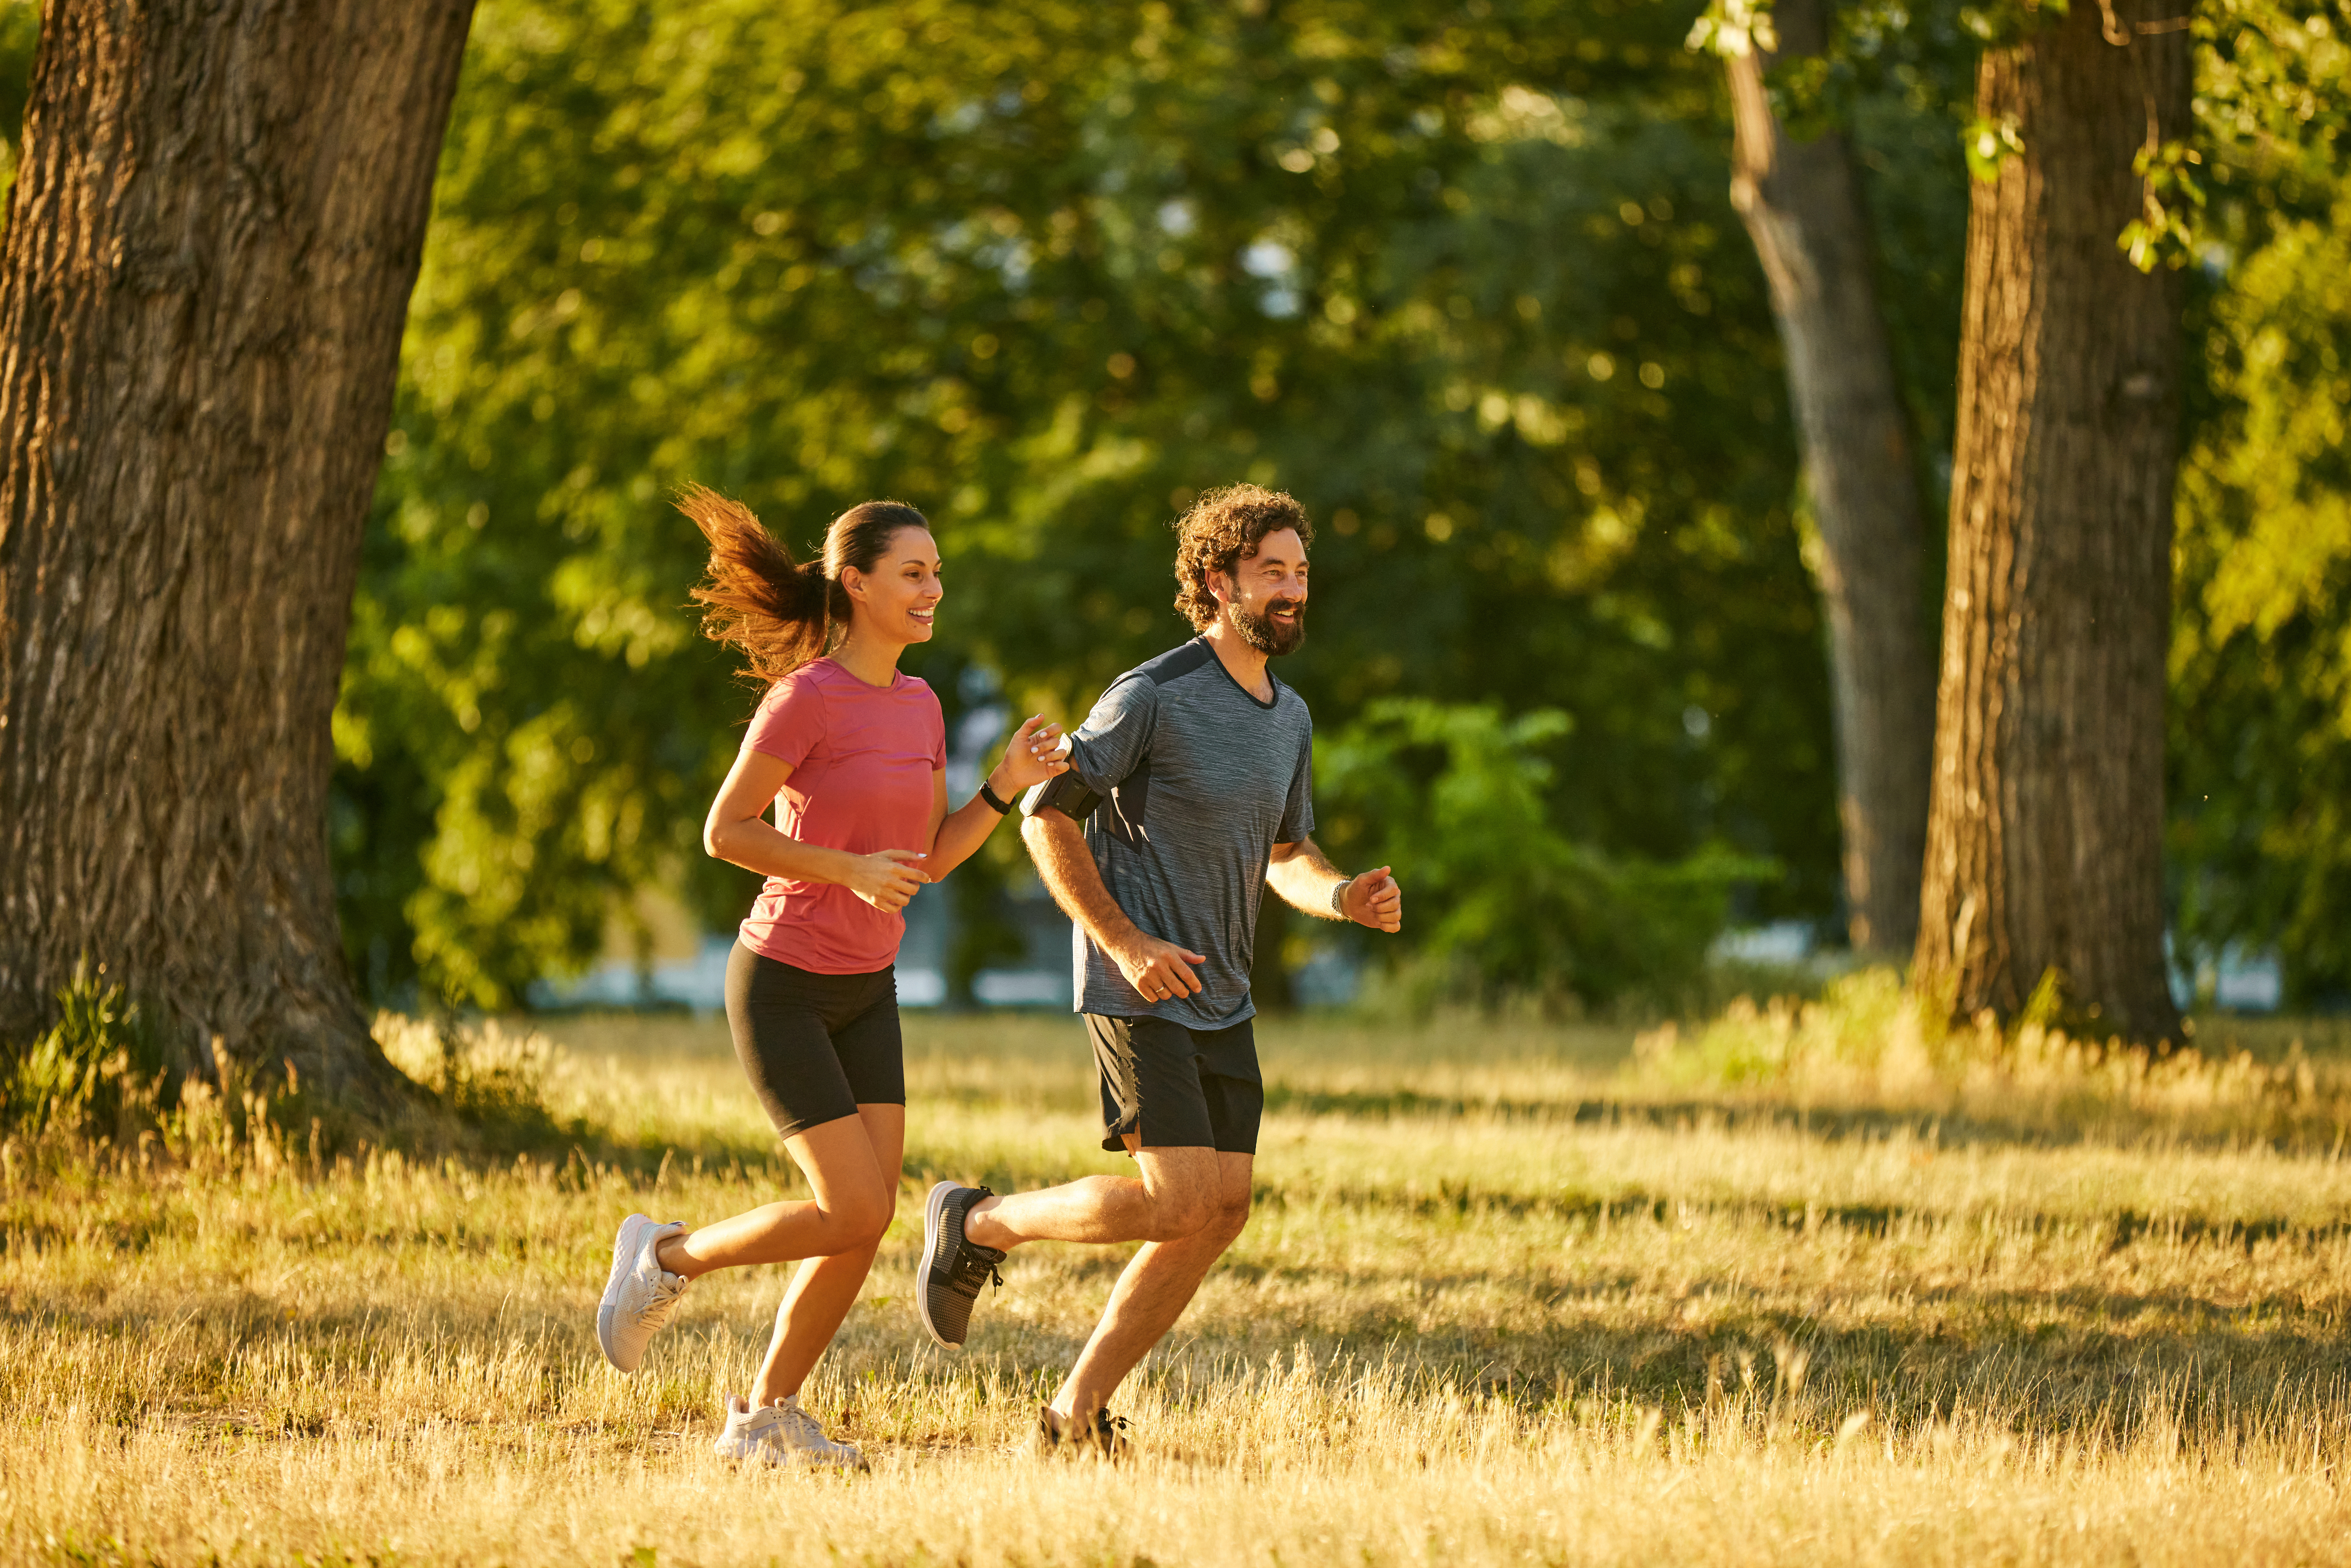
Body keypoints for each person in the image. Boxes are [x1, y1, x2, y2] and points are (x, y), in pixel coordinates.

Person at [913, 483, 1404, 1458]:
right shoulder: (1153, 693)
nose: (1295, 589)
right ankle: (983, 1220)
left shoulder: (1289, 716)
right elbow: (1045, 812)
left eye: (1302, 572)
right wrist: (1125, 940)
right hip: (1137, 985)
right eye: (1274, 571)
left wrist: (1344, 895)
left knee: (1219, 1210)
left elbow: (1286, 854)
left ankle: (1074, 1413)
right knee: (1176, 1196)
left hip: (1222, 993)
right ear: (1218, 582)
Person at [595, 485, 1067, 1469]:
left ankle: (765, 1415)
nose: (935, 587)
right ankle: (664, 1258)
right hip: (782, 982)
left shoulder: (923, 702)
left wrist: (1000, 789)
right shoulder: (804, 697)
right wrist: (846, 869)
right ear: (856, 583)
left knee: (862, 1219)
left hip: (869, 986)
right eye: (914, 571)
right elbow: (727, 831)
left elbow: (928, 860)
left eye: (937, 571)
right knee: (851, 1207)